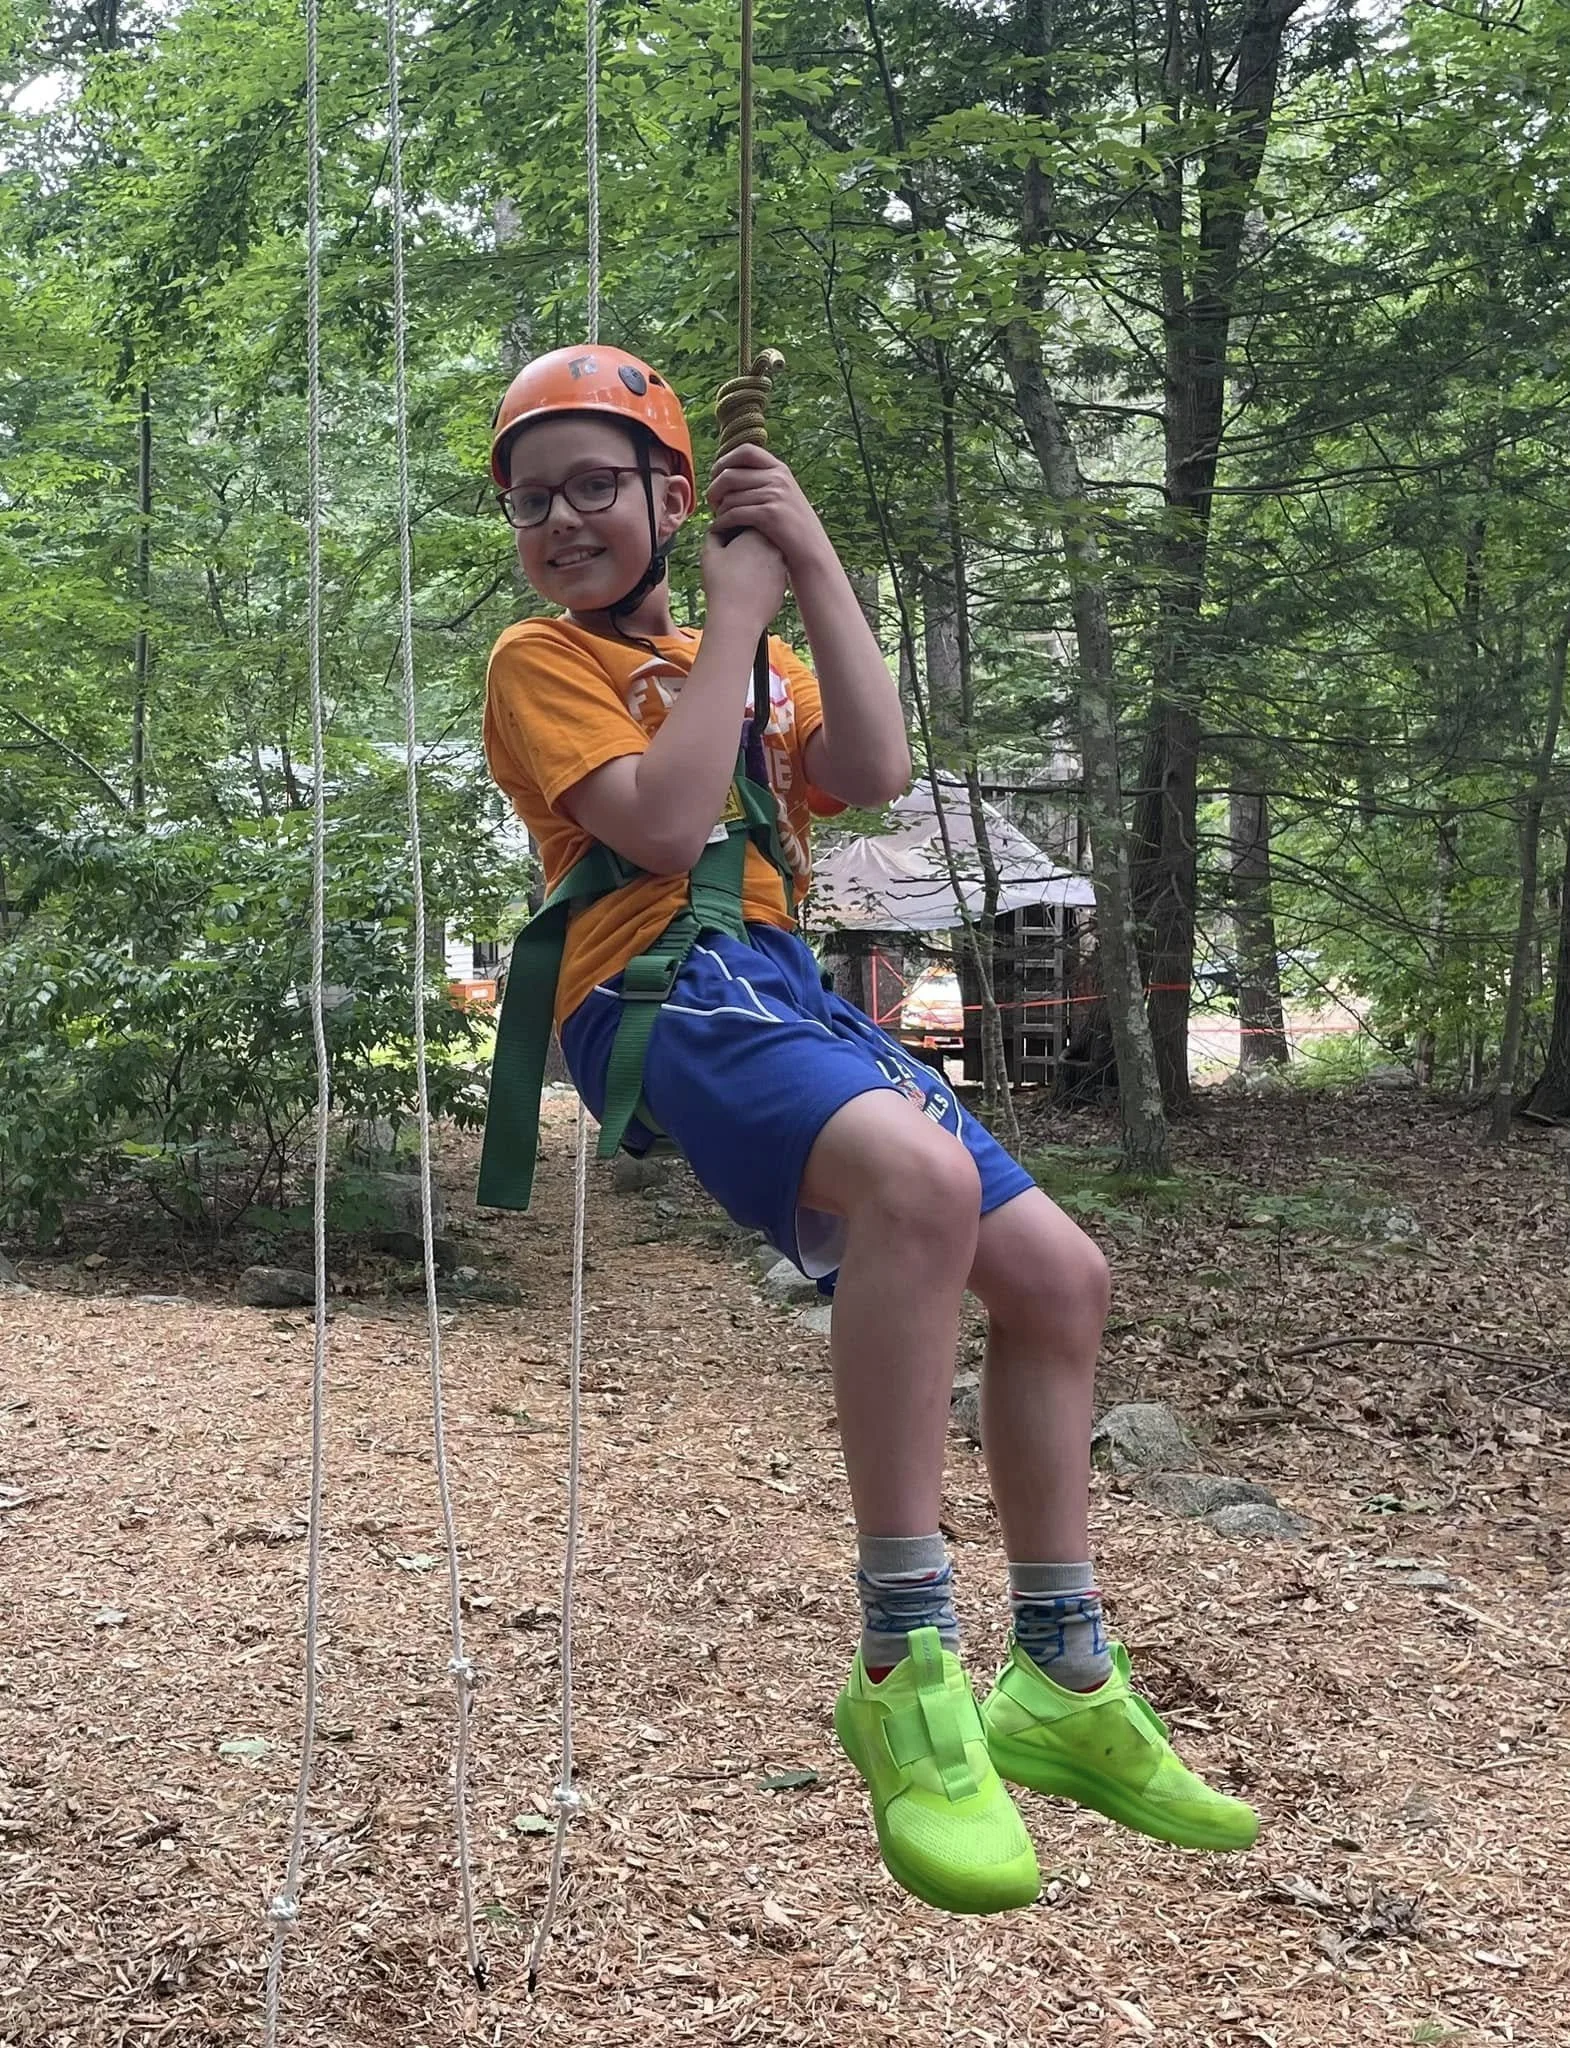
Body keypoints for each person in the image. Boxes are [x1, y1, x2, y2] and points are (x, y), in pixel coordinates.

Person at [481, 345, 1257, 1915]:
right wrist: (741, 627)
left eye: (593, 485)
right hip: (654, 987)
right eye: (530, 498)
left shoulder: (736, 642)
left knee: (1057, 1280)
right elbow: (664, 822)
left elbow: (873, 770)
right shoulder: (540, 661)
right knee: (911, 1180)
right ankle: (906, 1659)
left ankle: (1062, 1674)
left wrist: (812, 563)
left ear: (671, 497)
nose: (559, 519)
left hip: (778, 988)